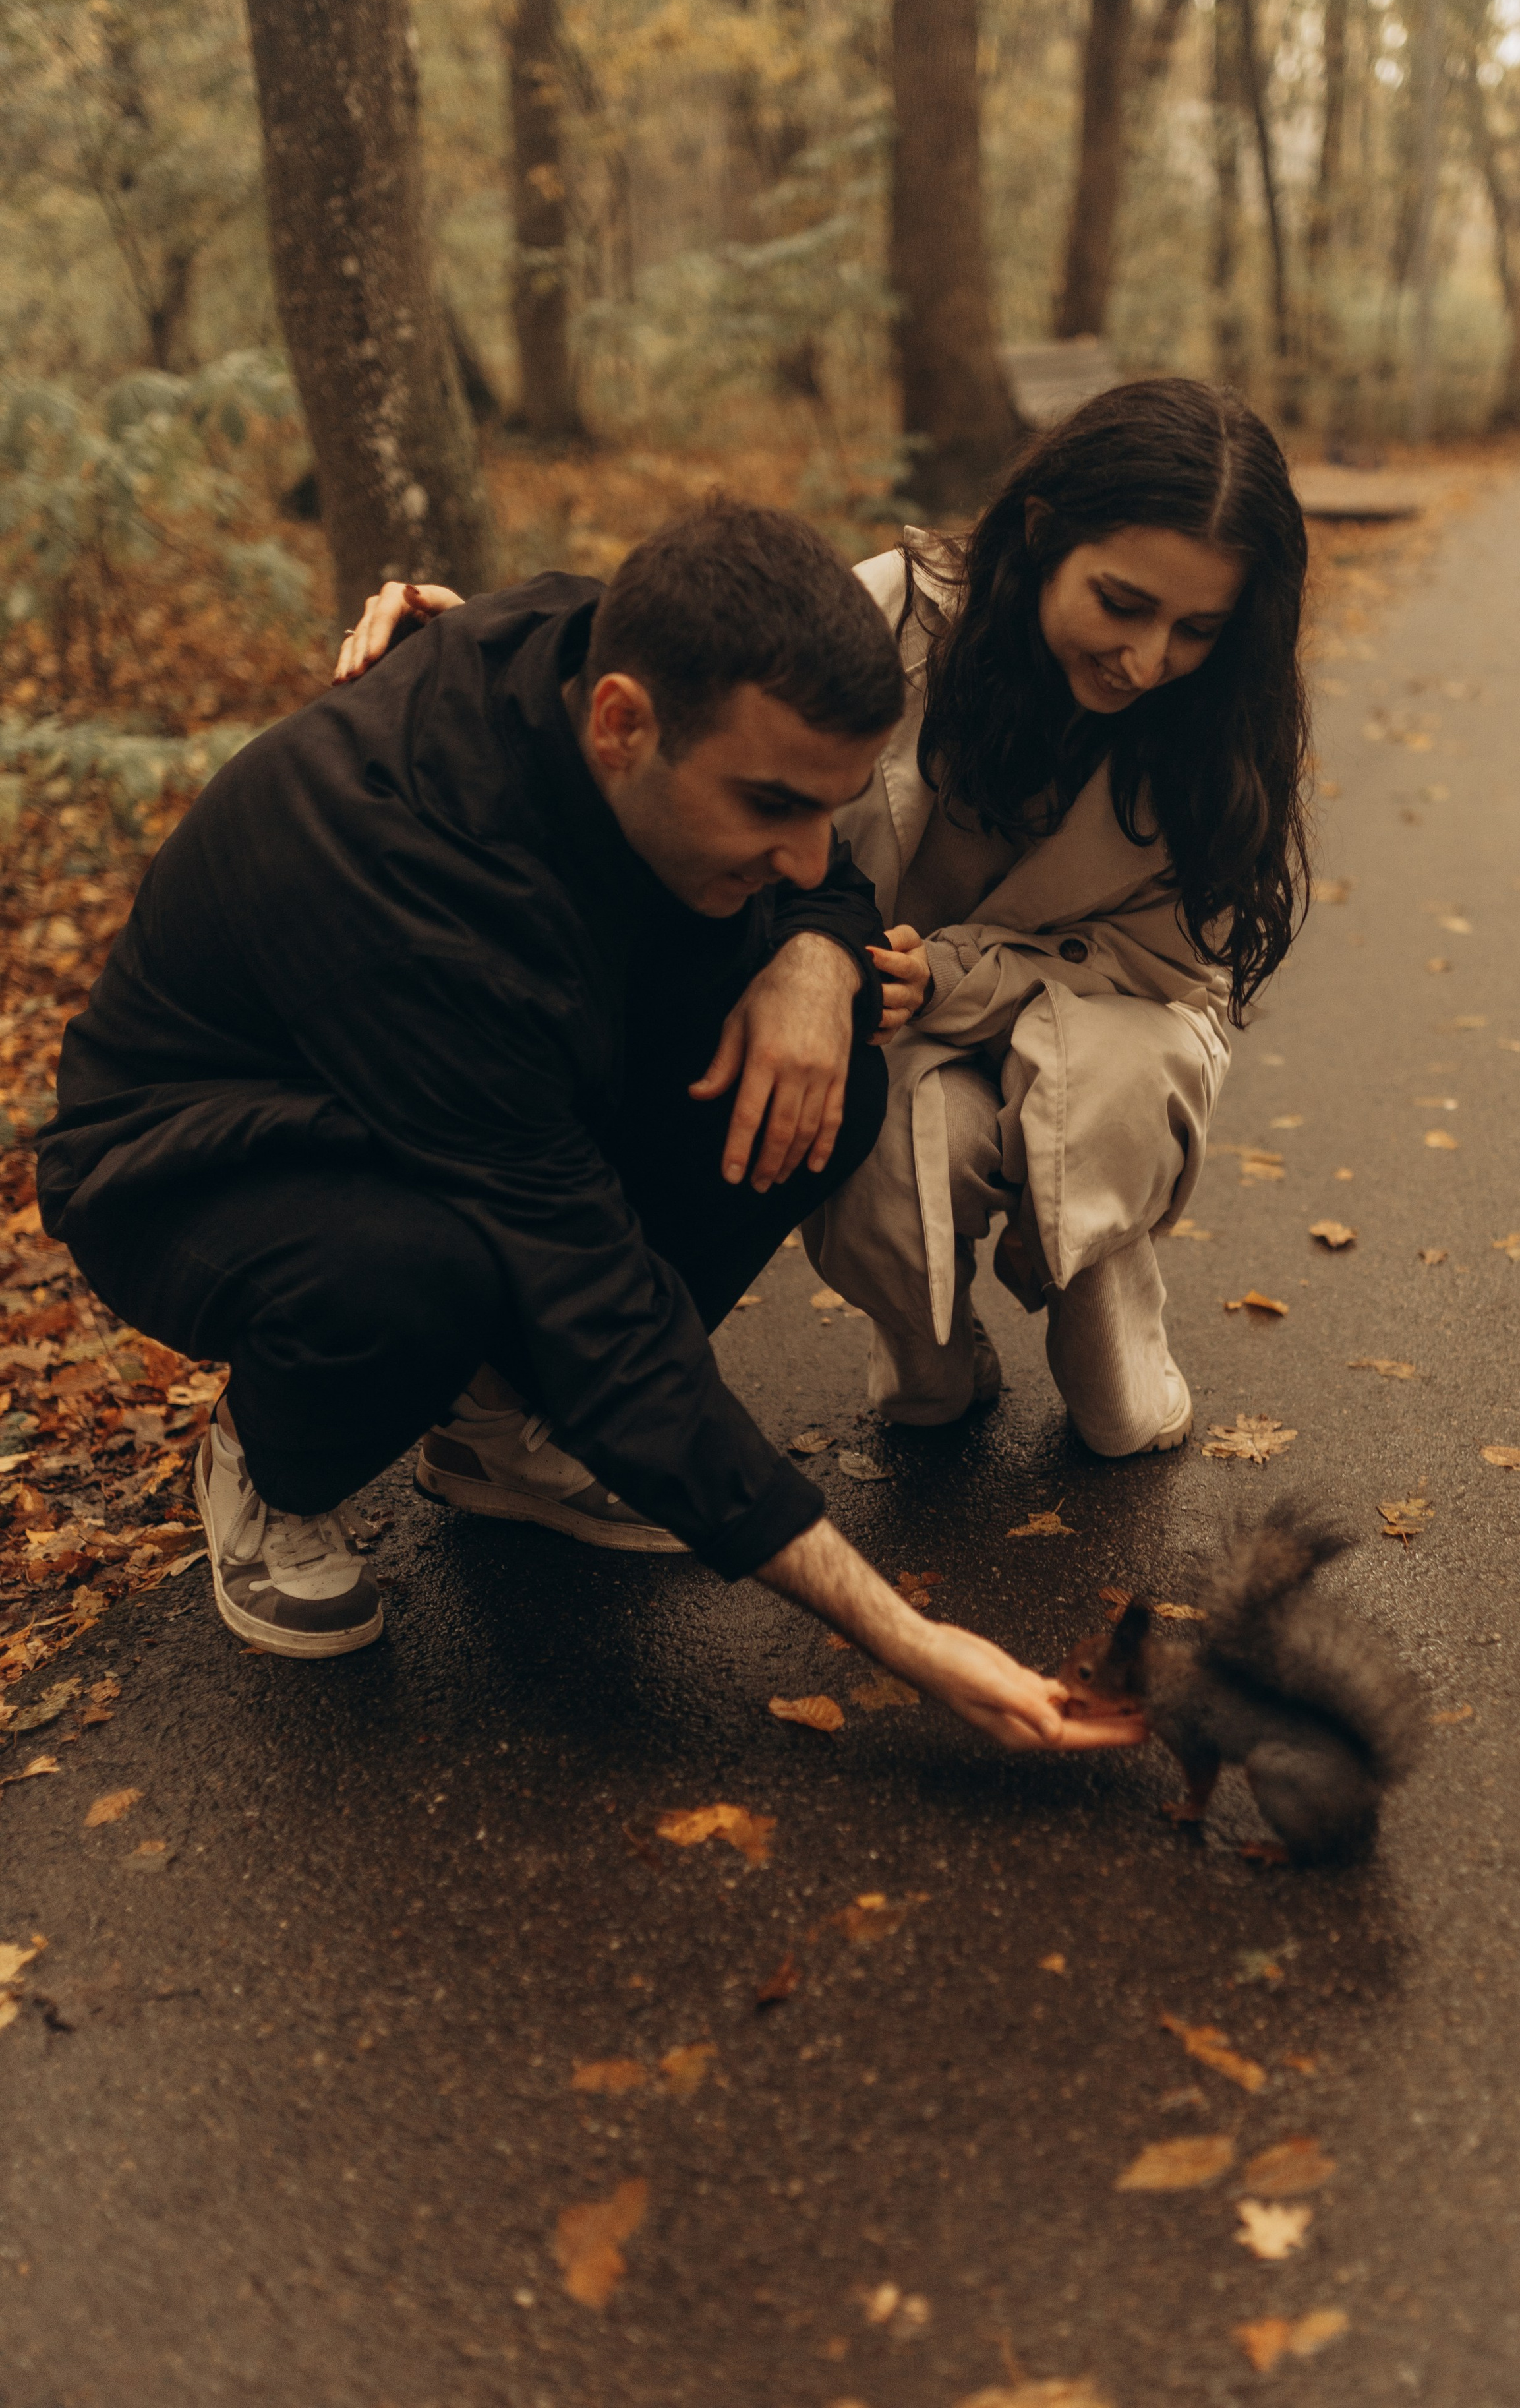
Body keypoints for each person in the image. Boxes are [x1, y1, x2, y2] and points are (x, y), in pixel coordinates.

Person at [36, 500, 1138, 1758]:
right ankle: (268, 1464)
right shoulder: (407, 875)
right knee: (423, 1274)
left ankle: (502, 1439)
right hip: (196, 1153)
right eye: (770, 804)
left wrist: (820, 957)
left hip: (462, 1095)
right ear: (621, 725)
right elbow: (593, 1294)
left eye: (825, 809)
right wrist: (906, 1636)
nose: (802, 852)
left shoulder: (600, 643)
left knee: (819, 1084)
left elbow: (822, 879)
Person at [363, 380, 1312, 1465]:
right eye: (1123, 604)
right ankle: (925, 1342)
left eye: (1196, 629)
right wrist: (481, 648)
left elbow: (1162, 969)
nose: (1147, 662)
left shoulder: (1221, 726)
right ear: (1045, 534)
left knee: (1100, 1133)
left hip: (1105, 1023)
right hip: (891, 1024)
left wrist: (953, 977)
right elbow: (692, 675)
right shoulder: (894, 614)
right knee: (895, 1143)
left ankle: (1101, 1292)